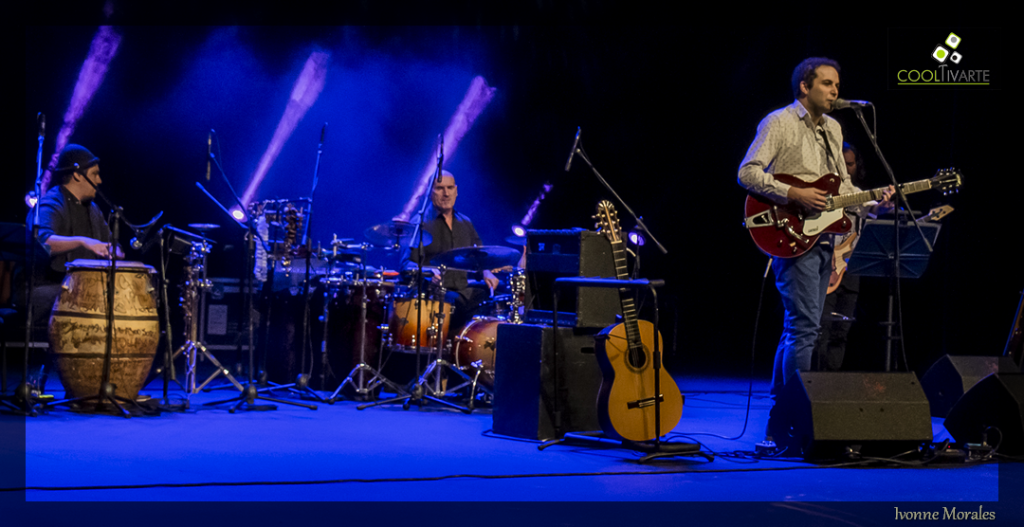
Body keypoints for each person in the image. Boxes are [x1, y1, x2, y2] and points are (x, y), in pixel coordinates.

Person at [738, 58, 893, 441]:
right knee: (805, 330)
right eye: (826, 83)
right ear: (805, 87)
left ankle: (781, 417)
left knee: (799, 329)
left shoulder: (835, 129)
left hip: (823, 237)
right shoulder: (779, 122)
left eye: (837, 84)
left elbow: (840, 189)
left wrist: (874, 202)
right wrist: (795, 192)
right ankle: (794, 416)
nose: (835, 90)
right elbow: (747, 172)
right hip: (790, 234)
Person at [24, 144, 121, 323]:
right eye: (95, 174)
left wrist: (115, 251)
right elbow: (42, 241)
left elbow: (109, 244)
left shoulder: (93, 210)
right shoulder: (52, 203)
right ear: (77, 175)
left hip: (80, 288)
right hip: (43, 289)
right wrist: (83, 241)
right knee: (89, 297)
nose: (99, 181)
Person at [402, 170, 500, 333]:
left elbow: (480, 256)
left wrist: (487, 272)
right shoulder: (419, 224)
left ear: (456, 190)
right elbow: (406, 265)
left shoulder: (465, 223)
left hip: (462, 291)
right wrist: (427, 272)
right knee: (459, 303)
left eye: (450, 188)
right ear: (430, 192)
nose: (446, 194)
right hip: (433, 295)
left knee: (498, 296)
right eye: (440, 188)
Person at [812, 142, 869, 371]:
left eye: (851, 164)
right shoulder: (821, 193)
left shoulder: (858, 195)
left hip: (850, 270)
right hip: (825, 267)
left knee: (841, 333)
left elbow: (875, 207)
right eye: (842, 165)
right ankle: (815, 385)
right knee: (820, 331)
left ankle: (832, 384)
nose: (846, 169)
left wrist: (886, 203)